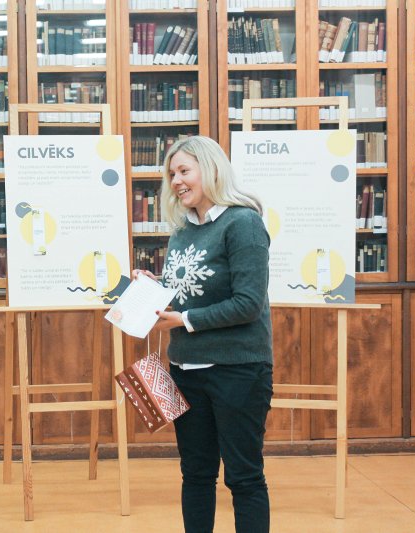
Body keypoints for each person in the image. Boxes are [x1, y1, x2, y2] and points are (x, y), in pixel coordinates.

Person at [133, 135, 273, 533]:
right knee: (195, 475)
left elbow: (248, 303)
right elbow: (194, 288)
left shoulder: (243, 222)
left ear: (210, 170)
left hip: (238, 371)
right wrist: (155, 285)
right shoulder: (182, 230)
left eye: (184, 171)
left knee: (243, 477)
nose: (176, 181)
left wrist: (183, 321)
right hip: (186, 370)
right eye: (171, 173)